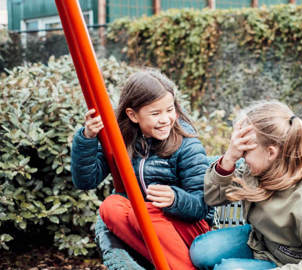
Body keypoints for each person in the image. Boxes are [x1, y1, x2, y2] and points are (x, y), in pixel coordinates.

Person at [71, 70, 211, 270]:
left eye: (169, 110)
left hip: (188, 227)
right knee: (111, 207)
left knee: (141, 212)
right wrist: (87, 138)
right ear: (132, 115)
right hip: (148, 228)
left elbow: (202, 206)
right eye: (155, 113)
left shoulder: (186, 145)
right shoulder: (121, 140)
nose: (165, 119)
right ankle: (167, 264)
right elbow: (86, 181)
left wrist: (175, 199)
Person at [190, 101, 302, 269]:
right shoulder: (263, 166)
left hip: (289, 262)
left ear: (271, 152)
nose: (242, 156)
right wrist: (229, 158)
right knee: (201, 251)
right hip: (260, 241)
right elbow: (213, 198)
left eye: (245, 151)